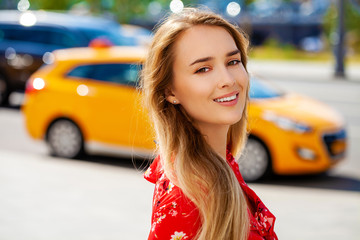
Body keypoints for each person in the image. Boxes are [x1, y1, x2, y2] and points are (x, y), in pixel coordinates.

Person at [141, 8, 277, 240]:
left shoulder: (218, 163)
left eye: (233, 61)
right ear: (170, 91)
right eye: (203, 69)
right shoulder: (184, 199)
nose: (228, 80)